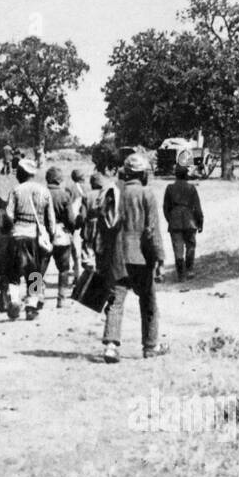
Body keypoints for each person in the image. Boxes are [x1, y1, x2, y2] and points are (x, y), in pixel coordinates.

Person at [95, 152, 167, 363]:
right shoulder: (147, 194)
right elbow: (151, 230)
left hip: (117, 255)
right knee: (149, 302)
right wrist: (160, 258)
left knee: (116, 301)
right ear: (143, 173)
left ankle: (110, 345)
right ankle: (150, 346)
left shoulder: (116, 192)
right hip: (141, 257)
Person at [4, 159, 56, 320]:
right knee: (35, 272)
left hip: (18, 234)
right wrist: (50, 237)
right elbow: (51, 220)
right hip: (37, 236)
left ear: (21, 173)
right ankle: (31, 306)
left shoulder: (16, 190)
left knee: (13, 271)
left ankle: (14, 300)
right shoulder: (44, 191)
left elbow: (9, 215)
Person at [45, 167, 80, 308]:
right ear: (59, 180)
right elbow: (70, 219)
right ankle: (62, 299)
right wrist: (71, 229)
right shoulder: (64, 195)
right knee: (64, 269)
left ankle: (34, 298)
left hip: (43, 234)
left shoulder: (41, 193)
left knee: (37, 269)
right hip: (61, 234)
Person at [163, 165, 204, 281]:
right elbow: (197, 208)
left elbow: (165, 208)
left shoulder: (170, 188)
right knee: (191, 245)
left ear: (175, 175)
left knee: (178, 248)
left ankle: (181, 274)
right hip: (189, 220)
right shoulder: (191, 188)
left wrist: (170, 219)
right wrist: (200, 223)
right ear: (186, 175)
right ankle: (190, 270)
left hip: (175, 221)